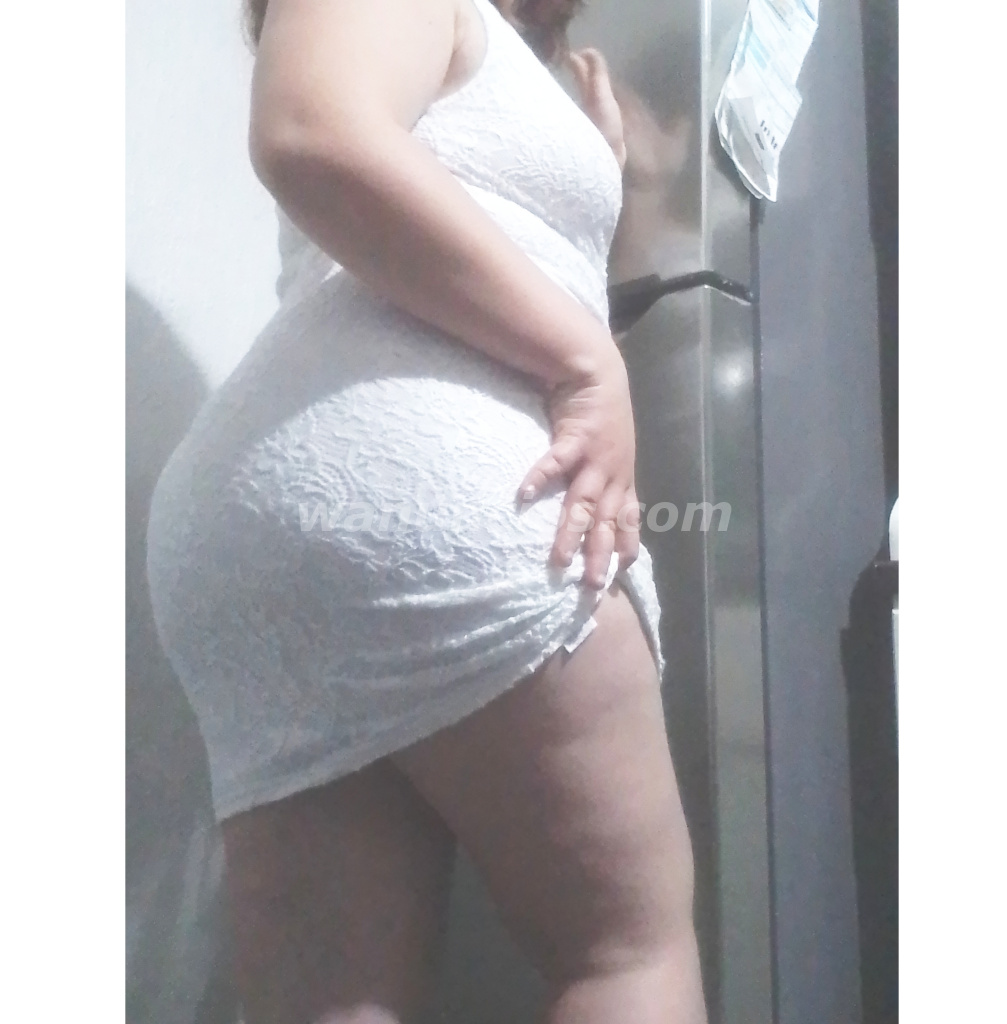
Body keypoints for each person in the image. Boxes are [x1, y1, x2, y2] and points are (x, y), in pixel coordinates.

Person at [144, 0, 708, 1021]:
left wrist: (595, 165)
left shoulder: (483, 53)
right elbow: (310, 127)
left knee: (339, 1001)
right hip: (445, 488)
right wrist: (585, 363)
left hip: (257, 542)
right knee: (624, 955)